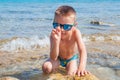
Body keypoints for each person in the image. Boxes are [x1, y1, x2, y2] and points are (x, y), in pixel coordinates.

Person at [42, 5, 90, 76]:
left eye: (66, 26)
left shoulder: (75, 32)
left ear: (74, 25)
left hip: (71, 59)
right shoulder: (53, 35)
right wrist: (56, 42)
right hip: (58, 58)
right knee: (46, 67)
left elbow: (82, 50)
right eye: (57, 25)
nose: (61, 29)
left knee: (71, 74)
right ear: (53, 22)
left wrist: (81, 67)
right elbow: (53, 57)